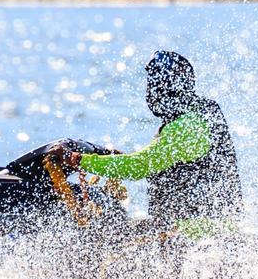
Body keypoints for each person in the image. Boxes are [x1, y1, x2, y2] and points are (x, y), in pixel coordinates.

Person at [60, 51, 242, 236]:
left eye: (154, 85)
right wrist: (116, 158)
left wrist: (78, 159)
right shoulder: (201, 114)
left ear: (165, 88)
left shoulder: (186, 127)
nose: (150, 92)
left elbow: (140, 166)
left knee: (105, 234)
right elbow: (156, 160)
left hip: (195, 230)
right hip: (213, 225)